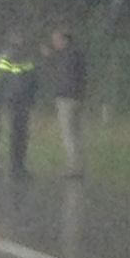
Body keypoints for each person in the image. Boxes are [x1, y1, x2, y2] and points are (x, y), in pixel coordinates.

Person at [44, 28, 88, 177]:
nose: (54, 43)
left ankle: (73, 168)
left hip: (66, 99)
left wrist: (50, 58)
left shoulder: (65, 57)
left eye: (56, 40)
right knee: (77, 134)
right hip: (78, 98)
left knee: (69, 134)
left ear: (64, 40)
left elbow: (61, 74)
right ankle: (79, 166)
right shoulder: (77, 54)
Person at [0, 31, 38, 177]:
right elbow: (3, 77)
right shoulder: (9, 56)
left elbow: (32, 77)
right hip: (14, 99)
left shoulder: (22, 56)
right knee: (17, 133)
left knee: (21, 133)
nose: (20, 39)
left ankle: (19, 165)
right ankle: (16, 165)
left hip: (19, 99)